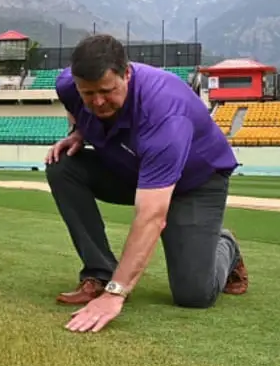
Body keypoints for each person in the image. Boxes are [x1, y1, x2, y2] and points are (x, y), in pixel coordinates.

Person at [44, 34, 248, 334]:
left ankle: (224, 244)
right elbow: (76, 106)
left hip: (195, 182)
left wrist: (116, 294)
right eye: (88, 93)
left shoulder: (165, 113)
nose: (98, 101)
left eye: (107, 91)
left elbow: (151, 215)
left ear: (127, 74)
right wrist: (78, 132)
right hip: (133, 170)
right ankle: (98, 273)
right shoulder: (68, 85)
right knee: (62, 166)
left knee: (194, 295)